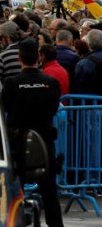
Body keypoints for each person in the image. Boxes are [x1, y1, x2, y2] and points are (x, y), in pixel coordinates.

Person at [2, 38, 64, 227]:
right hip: (45, 140)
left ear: (20, 58)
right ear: (39, 57)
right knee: (49, 192)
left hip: (18, 142)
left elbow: (6, 107)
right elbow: (54, 108)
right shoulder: (51, 83)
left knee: (15, 190)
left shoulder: (11, 83)